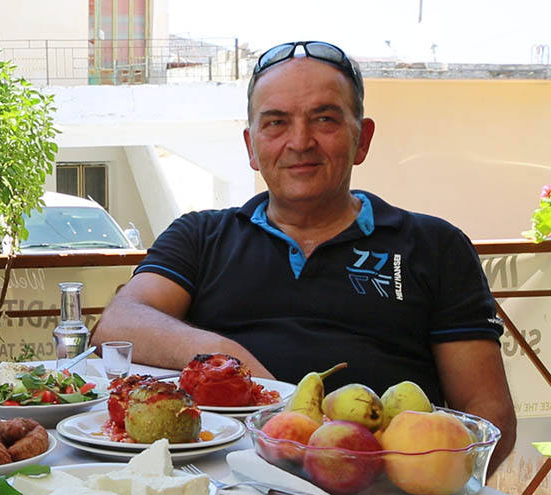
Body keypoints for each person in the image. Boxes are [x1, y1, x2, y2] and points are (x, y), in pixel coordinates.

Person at [92, 41, 515, 470]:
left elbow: (489, 414)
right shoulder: (200, 235)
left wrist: (422, 493)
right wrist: (231, 361)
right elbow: (119, 323)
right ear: (252, 148)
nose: (300, 141)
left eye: (325, 119)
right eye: (276, 123)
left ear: (362, 139)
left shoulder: (433, 245)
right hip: (221, 492)